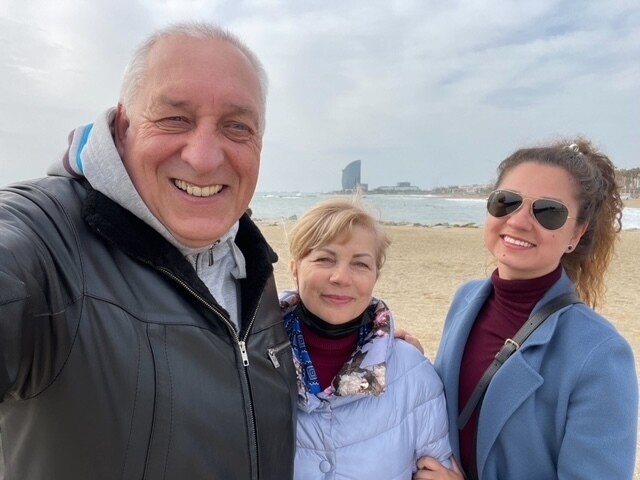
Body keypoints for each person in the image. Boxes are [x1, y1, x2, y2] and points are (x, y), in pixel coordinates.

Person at [0, 22, 297, 479]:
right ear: (123, 127)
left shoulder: (249, 261)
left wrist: (370, 339)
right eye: (175, 118)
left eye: (237, 127)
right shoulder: (46, 242)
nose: (203, 157)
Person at [416, 139, 638, 479]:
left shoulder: (601, 354)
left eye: (548, 212)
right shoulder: (466, 300)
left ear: (576, 234)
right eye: (507, 202)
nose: (518, 221)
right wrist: (412, 365)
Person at [279, 197, 461, 479]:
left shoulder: (414, 374)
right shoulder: (254, 360)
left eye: (360, 264)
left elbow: (436, 469)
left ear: (376, 275)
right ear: (295, 269)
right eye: (325, 259)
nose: (341, 277)